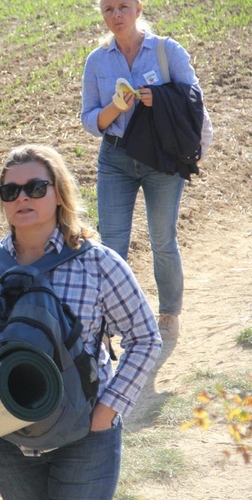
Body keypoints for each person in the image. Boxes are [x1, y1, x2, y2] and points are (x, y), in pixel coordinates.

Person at [0, 145, 162, 499]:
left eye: (36, 188)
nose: (22, 198)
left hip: (86, 437)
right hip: (5, 441)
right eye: (10, 191)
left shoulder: (98, 264)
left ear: (59, 192)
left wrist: (106, 411)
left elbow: (145, 337)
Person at [81, 0, 212, 340]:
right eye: (108, 9)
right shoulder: (97, 61)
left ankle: (168, 312)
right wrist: (115, 106)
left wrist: (160, 98)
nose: (116, 16)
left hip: (161, 157)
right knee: (112, 243)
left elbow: (193, 98)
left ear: (138, 9)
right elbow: (90, 121)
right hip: (115, 157)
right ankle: (112, 318)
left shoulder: (166, 51)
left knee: (162, 240)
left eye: (123, 7)